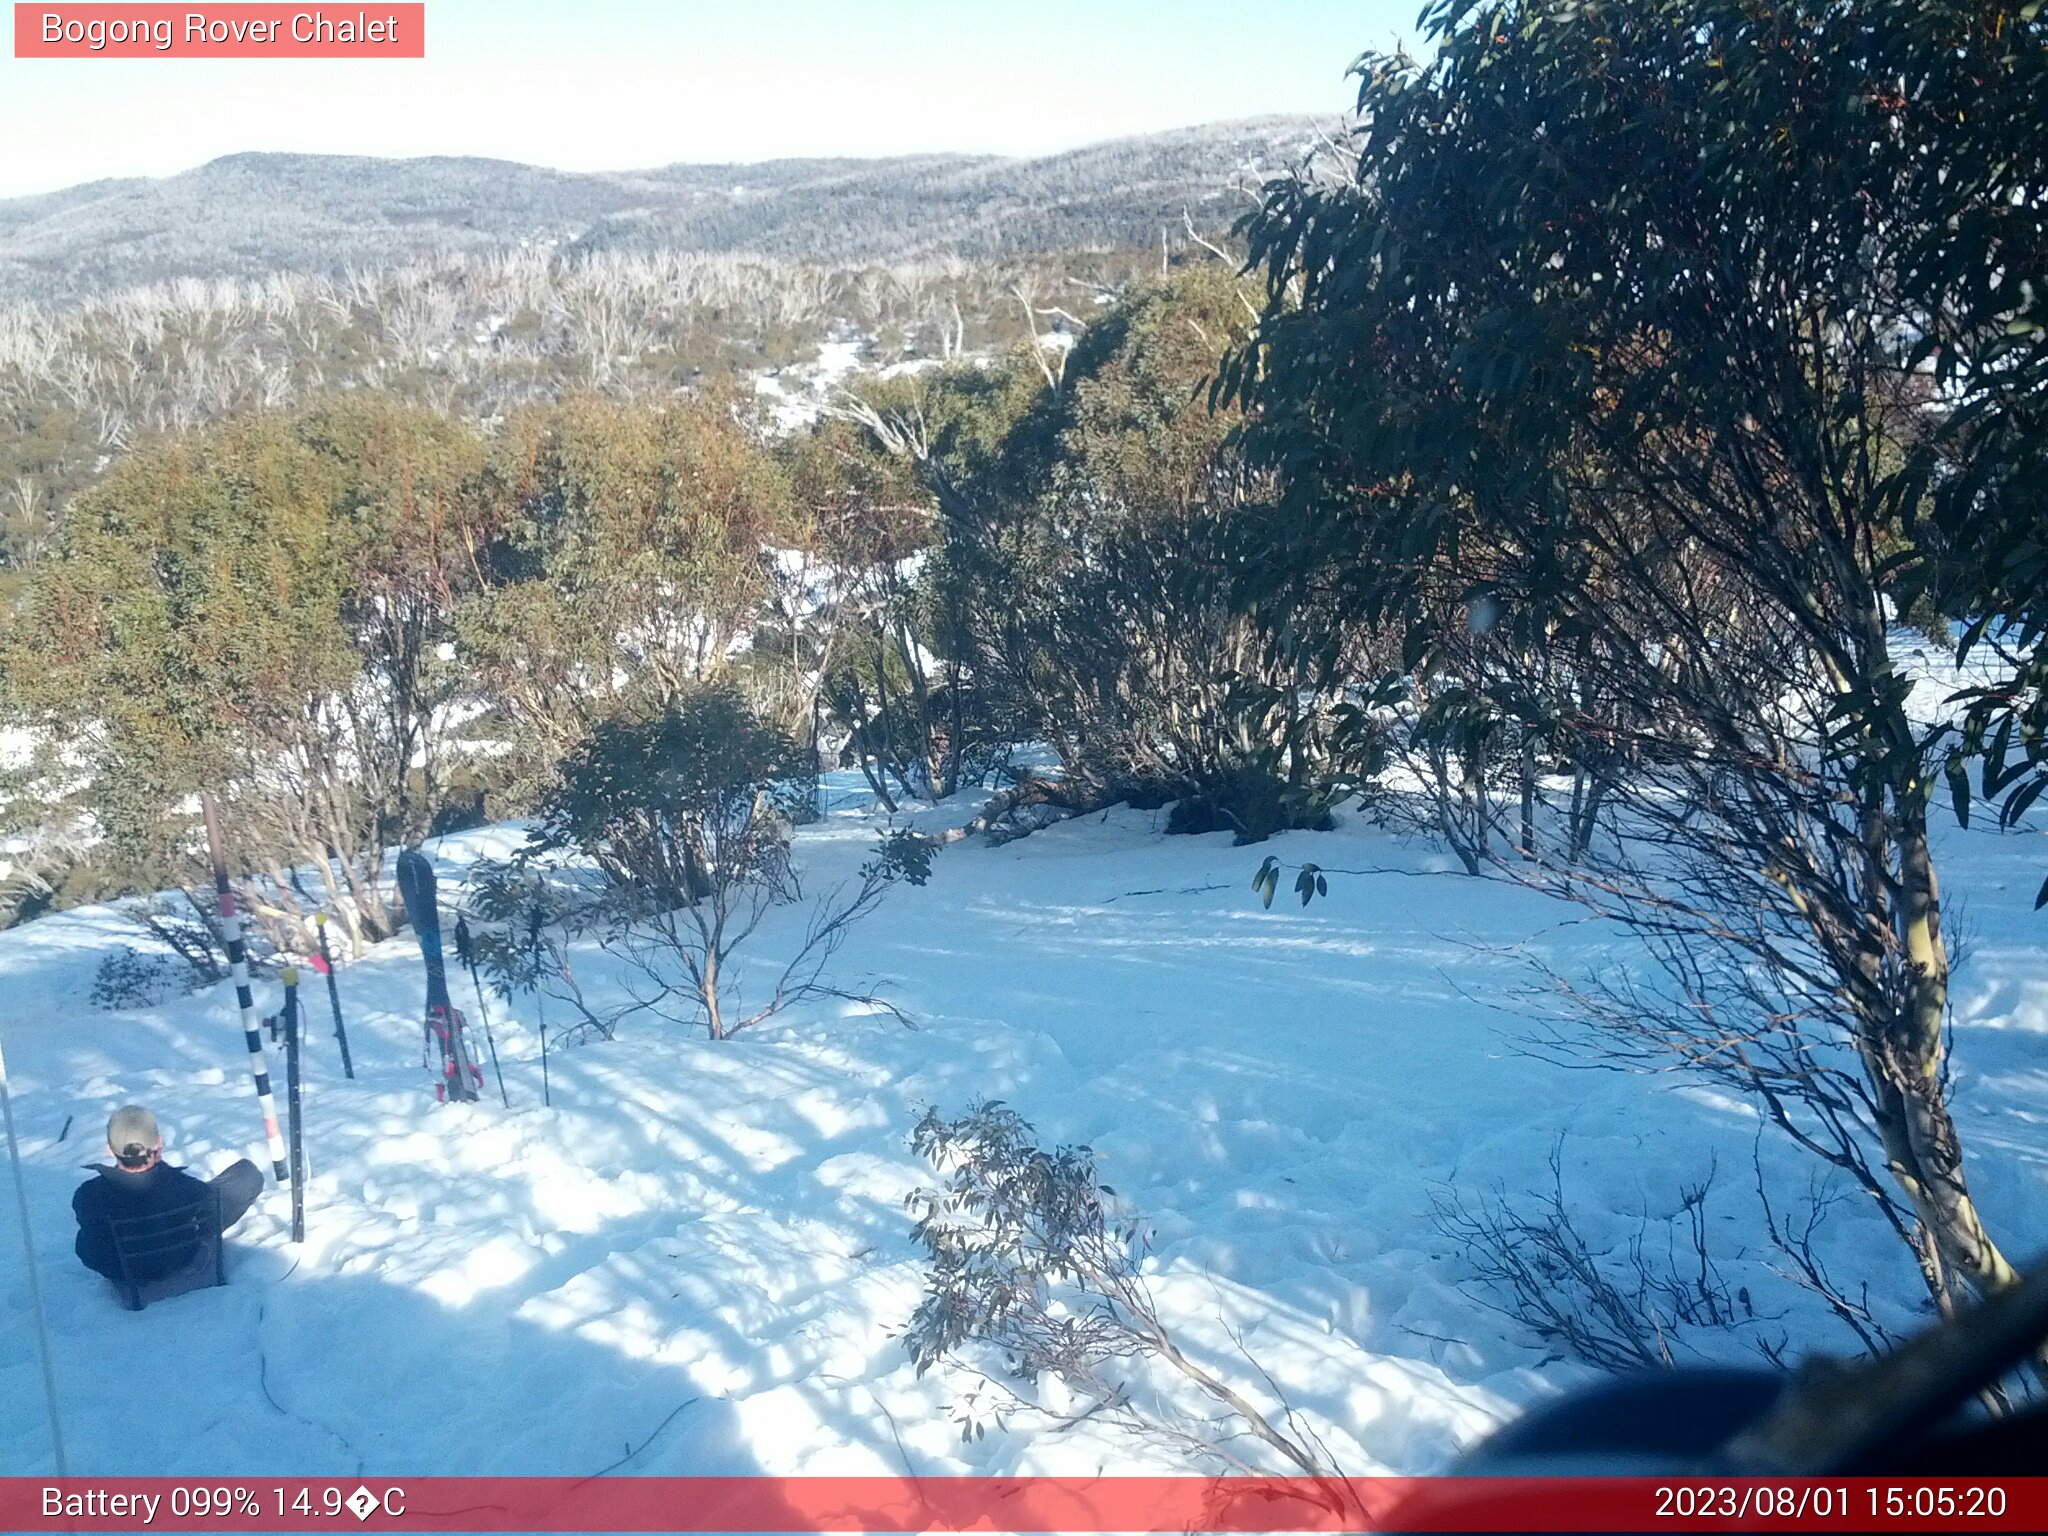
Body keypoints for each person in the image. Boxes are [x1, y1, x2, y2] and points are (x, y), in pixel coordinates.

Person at [72, 1106, 263, 1285]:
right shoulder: (185, 1188)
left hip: (121, 1271)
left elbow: (87, 1247)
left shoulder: (87, 1196)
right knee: (243, 1179)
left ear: (110, 1149)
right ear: (159, 1142)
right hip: (181, 1258)